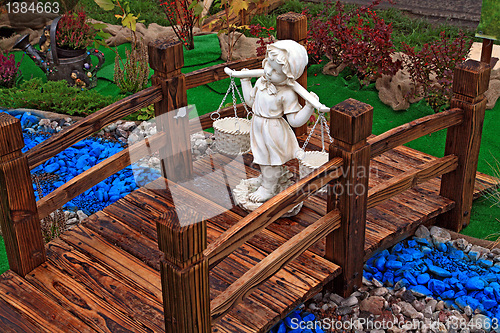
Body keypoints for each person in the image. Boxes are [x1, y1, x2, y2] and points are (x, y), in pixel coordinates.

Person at [225, 40, 328, 202]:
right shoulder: (261, 82)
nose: (269, 72)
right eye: (268, 65)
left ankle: (268, 188)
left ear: (289, 76)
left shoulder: (287, 94)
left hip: (272, 131)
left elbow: (294, 121)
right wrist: (245, 82)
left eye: (276, 71)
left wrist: (308, 107)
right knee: (261, 157)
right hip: (258, 126)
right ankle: (267, 180)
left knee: (270, 161)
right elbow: (251, 104)